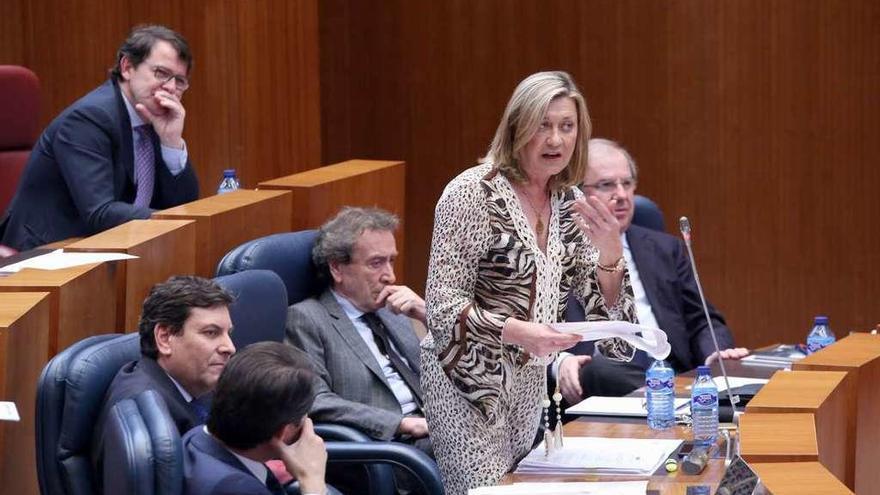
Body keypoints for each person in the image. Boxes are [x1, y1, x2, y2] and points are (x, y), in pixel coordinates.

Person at [420, 71, 637, 494]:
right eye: (543, 125)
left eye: (566, 126)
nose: (555, 140)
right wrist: (519, 333)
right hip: (465, 377)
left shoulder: (571, 202)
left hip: (529, 383)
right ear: (517, 126)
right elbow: (442, 303)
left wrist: (611, 254)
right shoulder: (471, 194)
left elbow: (614, 334)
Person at [555, 138, 749, 404]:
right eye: (606, 185)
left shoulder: (664, 248)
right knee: (601, 370)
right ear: (575, 193)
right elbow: (528, 333)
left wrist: (716, 354)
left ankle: (670, 399)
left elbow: (703, 319)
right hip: (601, 383)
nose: (622, 195)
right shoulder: (553, 252)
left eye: (627, 183)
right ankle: (669, 402)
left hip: (674, 374)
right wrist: (560, 361)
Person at [0, 24, 199, 251]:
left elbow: (183, 205)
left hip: (107, 247)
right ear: (127, 67)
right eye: (161, 74)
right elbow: (100, 212)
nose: (171, 88)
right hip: (45, 253)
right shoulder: (89, 119)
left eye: (180, 80)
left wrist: (171, 143)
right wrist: (175, 222)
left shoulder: (154, 116)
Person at [286, 207, 431, 447]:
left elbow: (453, 374)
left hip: (435, 428)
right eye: (376, 263)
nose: (390, 276)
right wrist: (401, 423)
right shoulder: (306, 319)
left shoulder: (394, 310)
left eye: (391, 261)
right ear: (337, 268)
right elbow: (315, 401)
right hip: (387, 447)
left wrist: (430, 318)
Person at [93, 276, 235, 477]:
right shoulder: (149, 420)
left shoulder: (186, 387)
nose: (229, 347)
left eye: (228, 333)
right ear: (165, 338)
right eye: (211, 333)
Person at [182, 342, 328, 495]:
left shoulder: (197, 437)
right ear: (283, 432)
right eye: (304, 415)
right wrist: (313, 482)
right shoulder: (238, 489)